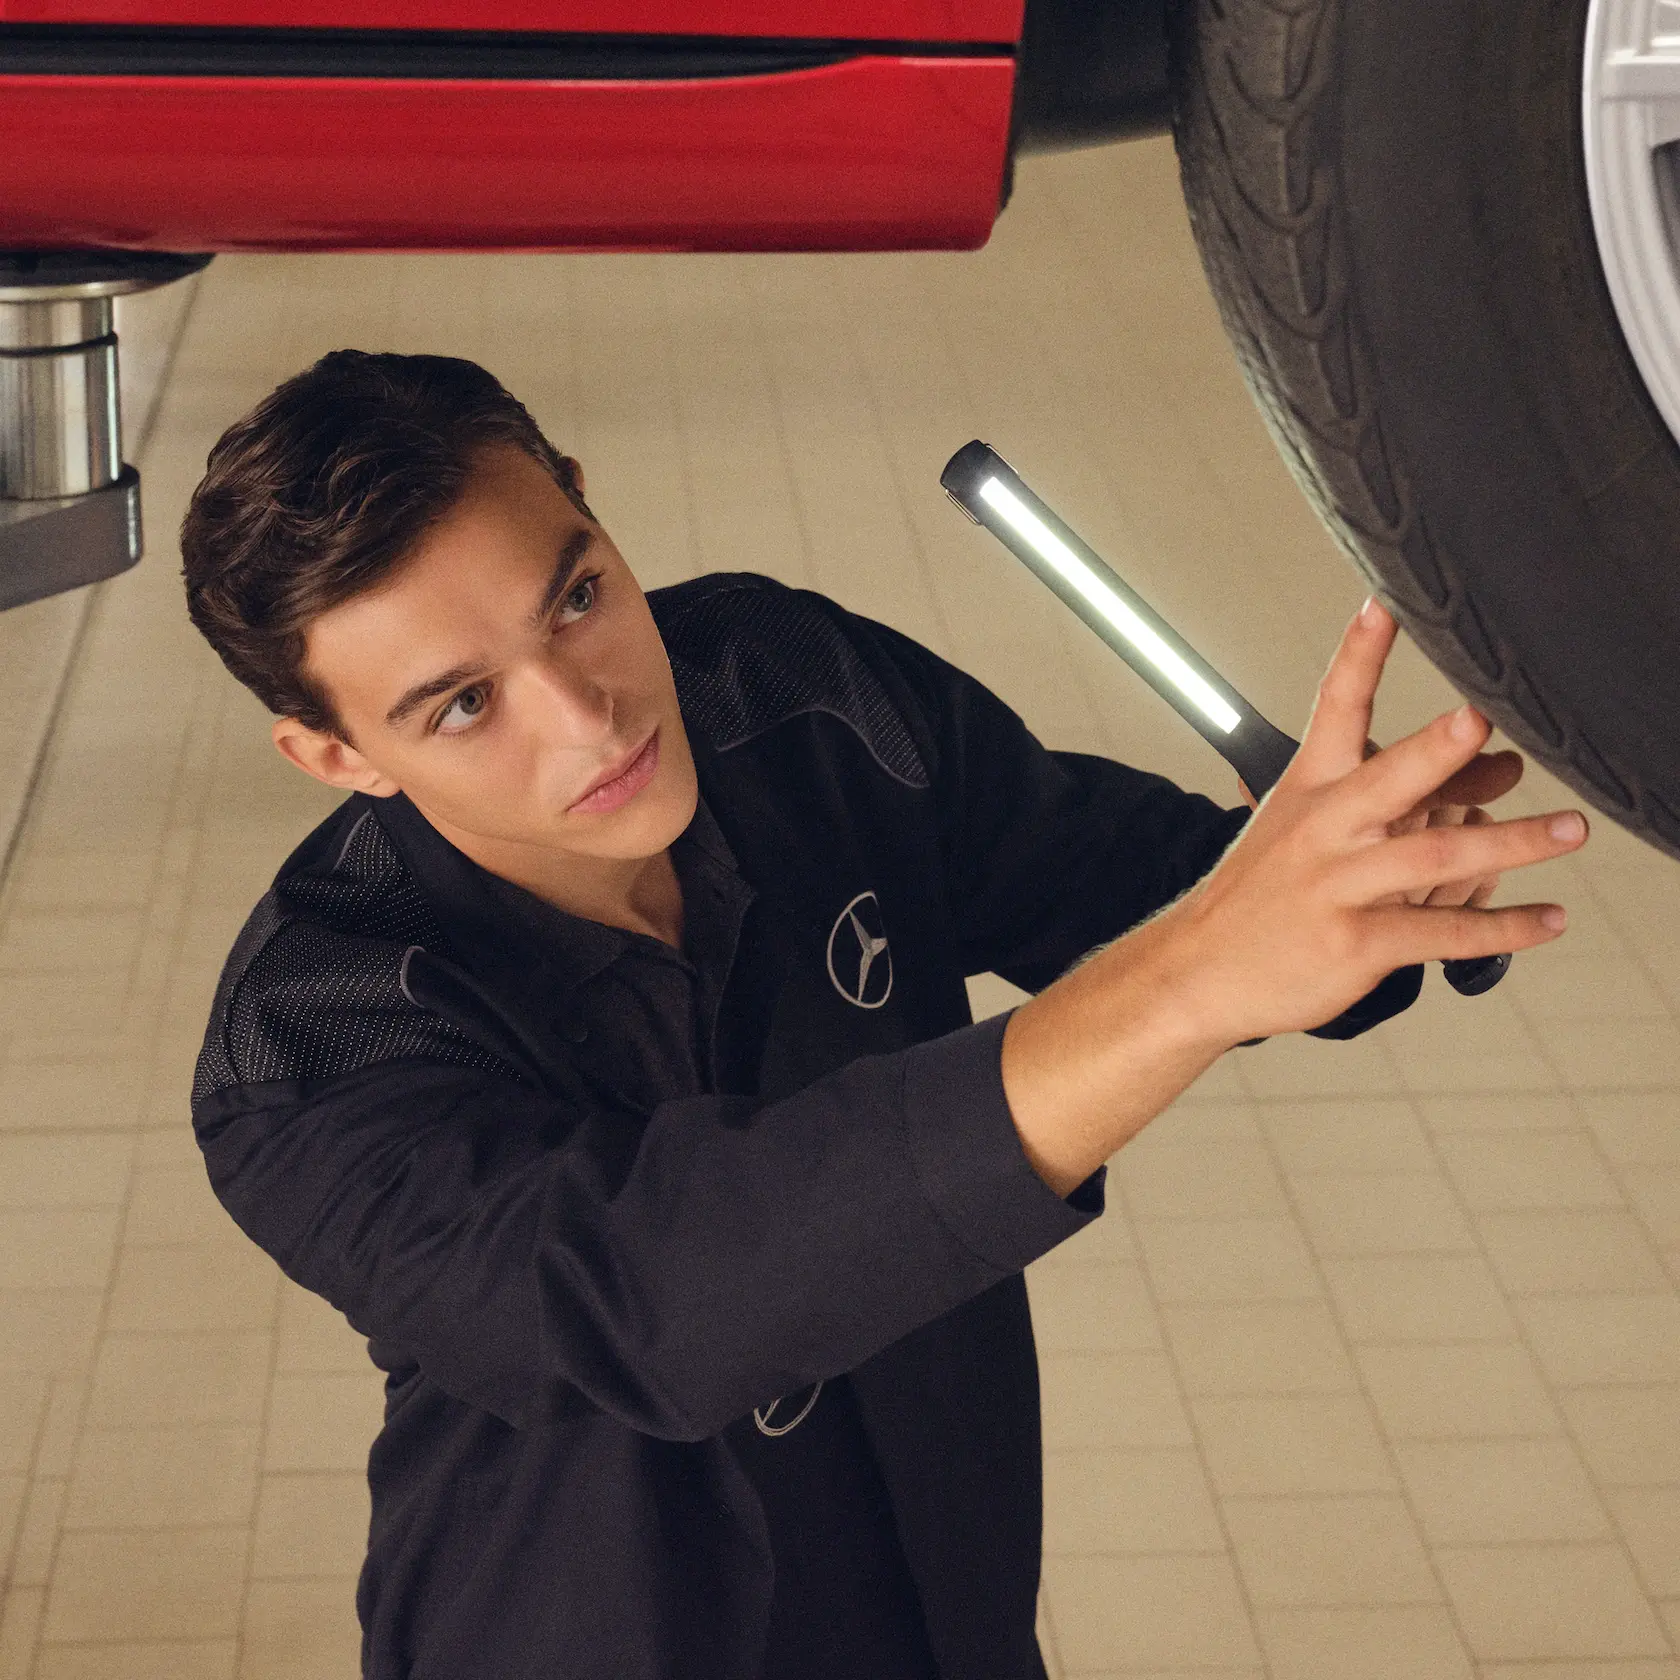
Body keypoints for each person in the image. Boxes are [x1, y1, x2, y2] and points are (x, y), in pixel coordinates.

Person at [179, 349, 1586, 1680]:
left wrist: (1360, 876)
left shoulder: (797, 692)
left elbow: (1127, 885)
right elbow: (657, 1293)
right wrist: (1212, 960)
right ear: (332, 754)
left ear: (590, 503)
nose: (589, 717)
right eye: (466, 704)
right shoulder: (308, 1044)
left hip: (943, 1603)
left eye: (577, 599)